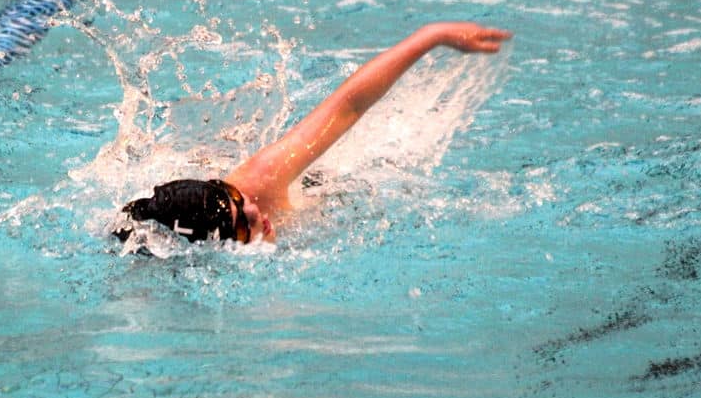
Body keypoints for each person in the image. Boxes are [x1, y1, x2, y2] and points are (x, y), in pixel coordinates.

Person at [113, 21, 512, 245]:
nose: (253, 209)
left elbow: (350, 104)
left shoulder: (261, 182)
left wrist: (433, 36)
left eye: (235, 198)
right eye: (239, 224)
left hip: (317, 188)